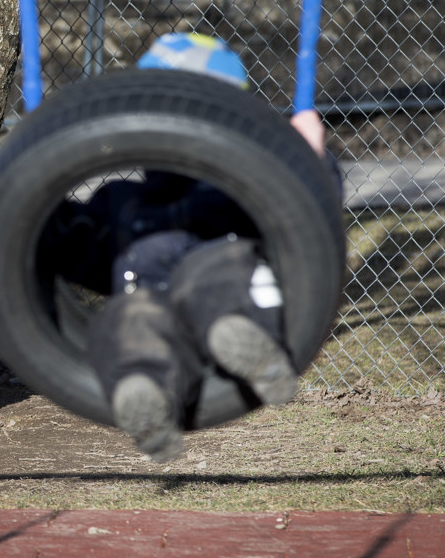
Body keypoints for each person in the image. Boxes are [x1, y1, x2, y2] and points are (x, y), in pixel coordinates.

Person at [41, 33, 339, 461]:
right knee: (132, 321)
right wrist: (30, 196)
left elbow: (309, 213)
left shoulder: (244, 189)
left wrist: (309, 157)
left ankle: (243, 338)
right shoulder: (122, 202)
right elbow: (73, 244)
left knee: (218, 278)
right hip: (152, 300)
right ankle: (144, 397)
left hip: (220, 280)